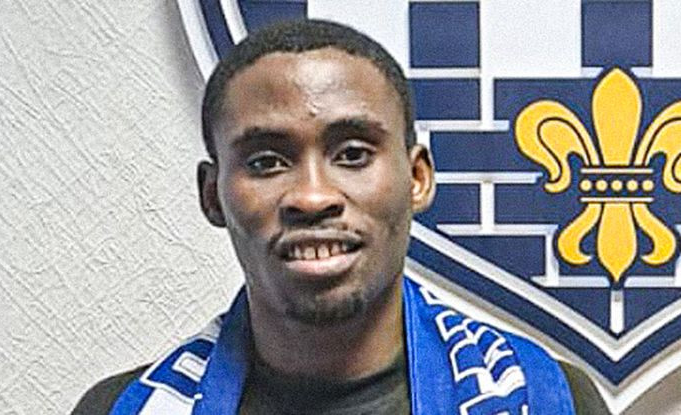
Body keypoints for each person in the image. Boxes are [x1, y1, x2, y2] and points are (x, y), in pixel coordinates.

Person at [72, 19, 608, 415]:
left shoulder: (547, 401)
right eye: (266, 162)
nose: (311, 196)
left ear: (417, 178)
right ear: (213, 196)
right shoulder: (123, 409)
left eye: (352, 154)